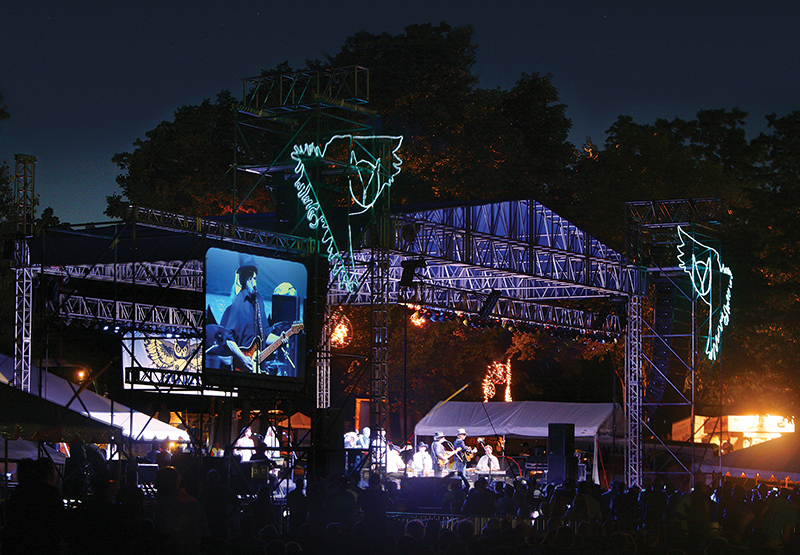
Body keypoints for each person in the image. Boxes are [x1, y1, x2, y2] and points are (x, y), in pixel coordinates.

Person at [220, 254, 290, 375]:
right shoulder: (238, 303)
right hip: (242, 366)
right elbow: (227, 339)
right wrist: (242, 358)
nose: (254, 282)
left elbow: (265, 335)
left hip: (258, 365)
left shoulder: (259, 301)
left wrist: (280, 339)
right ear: (245, 278)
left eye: (255, 279)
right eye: (251, 278)